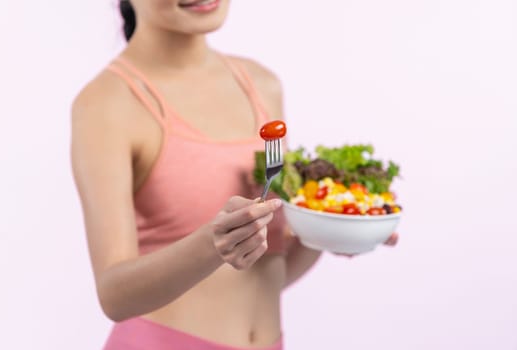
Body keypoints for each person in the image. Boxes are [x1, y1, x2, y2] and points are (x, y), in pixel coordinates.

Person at [71, 1, 398, 349]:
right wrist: (212, 244)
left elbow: (266, 274)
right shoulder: (107, 103)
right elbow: (114, 297)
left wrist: (329, 230)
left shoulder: (261, 85)